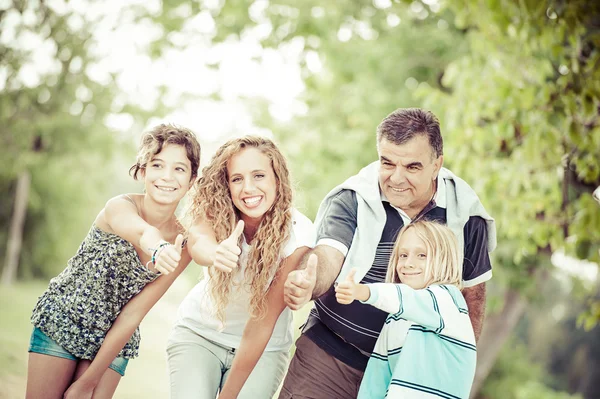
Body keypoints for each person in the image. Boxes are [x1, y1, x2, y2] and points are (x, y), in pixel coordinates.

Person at [281, 108, 496, 398]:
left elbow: (473, 297)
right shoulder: (353, 198)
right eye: (387, 162)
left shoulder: (465, 216)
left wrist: (454, 372)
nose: (396, 178)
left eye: (412, 167)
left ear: (437, 165)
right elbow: (330, 254)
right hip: (330, 357)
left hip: (410, 375)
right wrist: (310, 281)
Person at [26, 124, 201, 399]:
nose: (167, 177)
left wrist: (88, 382)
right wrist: (158, 248)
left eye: (179, 168)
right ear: (143, 172)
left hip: (115, 341)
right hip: (64, 318)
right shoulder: (119, 206)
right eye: (157, 165)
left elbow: (134, 313)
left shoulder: (184, 243)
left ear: (192, 180)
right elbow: (143, 232)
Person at [166, 136, 315, 399]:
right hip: (199, 335)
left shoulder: (298, 233)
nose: (248, 188)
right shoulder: (213, 210)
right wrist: (216, 253)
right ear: (226, 184)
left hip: (264, 350)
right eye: (237, 179)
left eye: (258, 176)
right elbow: (199, 244)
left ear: (277, 179)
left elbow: (263, 320)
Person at [335, 221, 476, 399]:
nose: (408, 263)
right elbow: (377, 376)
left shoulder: (447, 300)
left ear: (444, 259)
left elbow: (408, 298)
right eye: (403, 255)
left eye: (422, 255)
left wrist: (363, 291)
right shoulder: (396, 318)